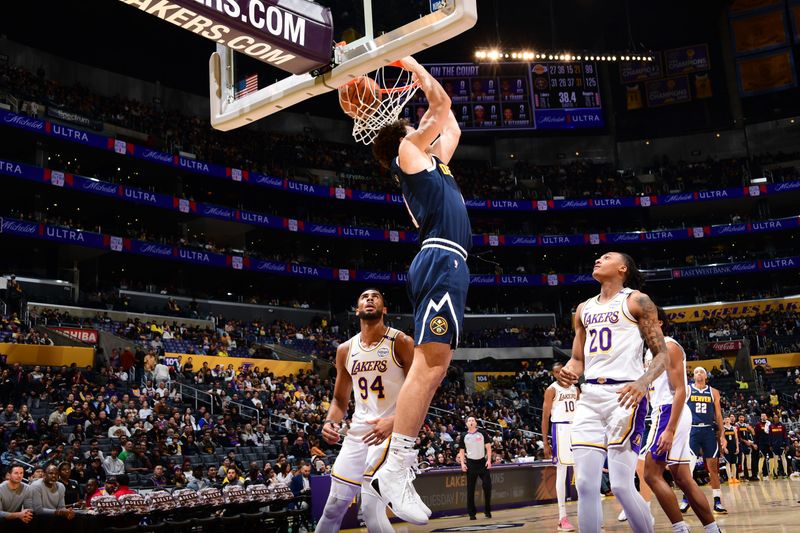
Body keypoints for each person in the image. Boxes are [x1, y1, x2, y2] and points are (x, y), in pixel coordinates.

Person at [368, 55, 472, 526]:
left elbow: (451, 124)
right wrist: (413, 67)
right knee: (432, 364)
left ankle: (397, 465)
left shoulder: (431, 165)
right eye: (411, 124)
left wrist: (423, 87)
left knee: (434, 365)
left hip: (445, 261)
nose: (418, 123)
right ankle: (396, 468)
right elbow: (443, 103)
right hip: (442, 257)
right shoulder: (408, 153)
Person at [560, 252, 670, 533]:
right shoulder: (583, 308)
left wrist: (644, 382)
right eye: (596, 257)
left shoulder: (637, 301)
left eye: (606, 257)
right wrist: (567, 370)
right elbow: (578, 359)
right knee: (585, 484)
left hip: (625, 395)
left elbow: (662, 355)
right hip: (590, 395)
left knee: (621, 485)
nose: (597, 259)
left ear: (622, 268)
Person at [318, 289, 413, 533]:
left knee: (371, 509)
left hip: (392, 432)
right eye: (363, 296)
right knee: (332, 508)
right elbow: (339, 400)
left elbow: (421, 392)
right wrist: (330, 422)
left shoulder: (401, 341)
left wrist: (394, 421)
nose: (369, 298)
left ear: (384, 309)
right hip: (358, 433)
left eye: (376, 296)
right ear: (357, 309)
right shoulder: (345, 350)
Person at [641, 309, 721, 533]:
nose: (643, 323)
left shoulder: (669, 346)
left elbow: (680, 390)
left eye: (648, 319)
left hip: (669, 412)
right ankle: (713, 529)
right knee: (683, 479)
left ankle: (680, 529)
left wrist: (669, 429)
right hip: (669, 412)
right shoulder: (650, 351)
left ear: (659, 322)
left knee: (650, 474)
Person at [679, 367, 727, 514]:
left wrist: (722, 434)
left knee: (713, 468)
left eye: (701, 372)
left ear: (706, 375)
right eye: (696, 372)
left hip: (708, 431)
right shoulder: (687, 390)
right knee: (689, 468)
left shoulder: (714, 392)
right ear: (693, 376)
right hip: (692, 430)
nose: (698, 373)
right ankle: (686, 498)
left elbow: (718, 415)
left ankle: (717, 501)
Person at [541, 362, 578, 531]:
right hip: (560, 429)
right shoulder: (551, 390)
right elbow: (545, 417)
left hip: (576, 429)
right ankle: (562, 517)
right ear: (554, 374)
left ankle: (585, 512)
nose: (559, 373)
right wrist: (546, 442)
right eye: (556, 372)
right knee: (562, 472)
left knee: (580, 472)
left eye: (561, 370)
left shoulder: (575, 389)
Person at [457, 417, 492, 521]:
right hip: (471, 464)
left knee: (487, 486)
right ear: (466, 424)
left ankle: (487, 510)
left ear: (476, 423)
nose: (471, 422)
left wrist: (489, 460)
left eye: (473, 420)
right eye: (469, 421)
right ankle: (472, 513)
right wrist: (462, 463)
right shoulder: (464, 435)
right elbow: (462, 451)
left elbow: (489, 448)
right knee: (470, 489)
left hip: (482, 463)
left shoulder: (482, 433)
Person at [735, 414, 757, 481]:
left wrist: (752, 430)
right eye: (740, 417)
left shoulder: (746, 425)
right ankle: (742, 476)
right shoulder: (736, 425)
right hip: (741, 443)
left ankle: (750, 475)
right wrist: (745, 441)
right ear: (738, 418)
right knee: (742, 460)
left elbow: (753, 432)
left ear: (744, 418)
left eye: (742, 417)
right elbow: (738, 437)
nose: (741, 418)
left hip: (747, 444)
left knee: (749, 460)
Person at [768, 413, 788, 478]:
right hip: (774, 445)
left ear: (779, 418)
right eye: (774, 417)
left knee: (783, 458)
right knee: (775, 459)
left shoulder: (782, 426)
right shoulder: (771, 426)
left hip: (781, 444)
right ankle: (775, 474)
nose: (775, 418)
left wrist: (787, 445)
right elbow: (770, 436)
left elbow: (785, 436)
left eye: (777, 417)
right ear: (773, 418)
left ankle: (785, 473)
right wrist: (770, 445)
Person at [722, 416, 740, 483]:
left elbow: (736, 438)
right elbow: (722, 439)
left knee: (733, 463)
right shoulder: (723, 428)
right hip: (727, 447)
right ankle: (729, 478)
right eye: (725, 419)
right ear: (724, 421)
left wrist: (737, 447)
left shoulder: (734, 428)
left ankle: (734, 478)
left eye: (728, 419)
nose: (727, 420)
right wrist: (724, 448)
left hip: (733, 447)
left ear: (730, 420)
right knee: (727, 463)